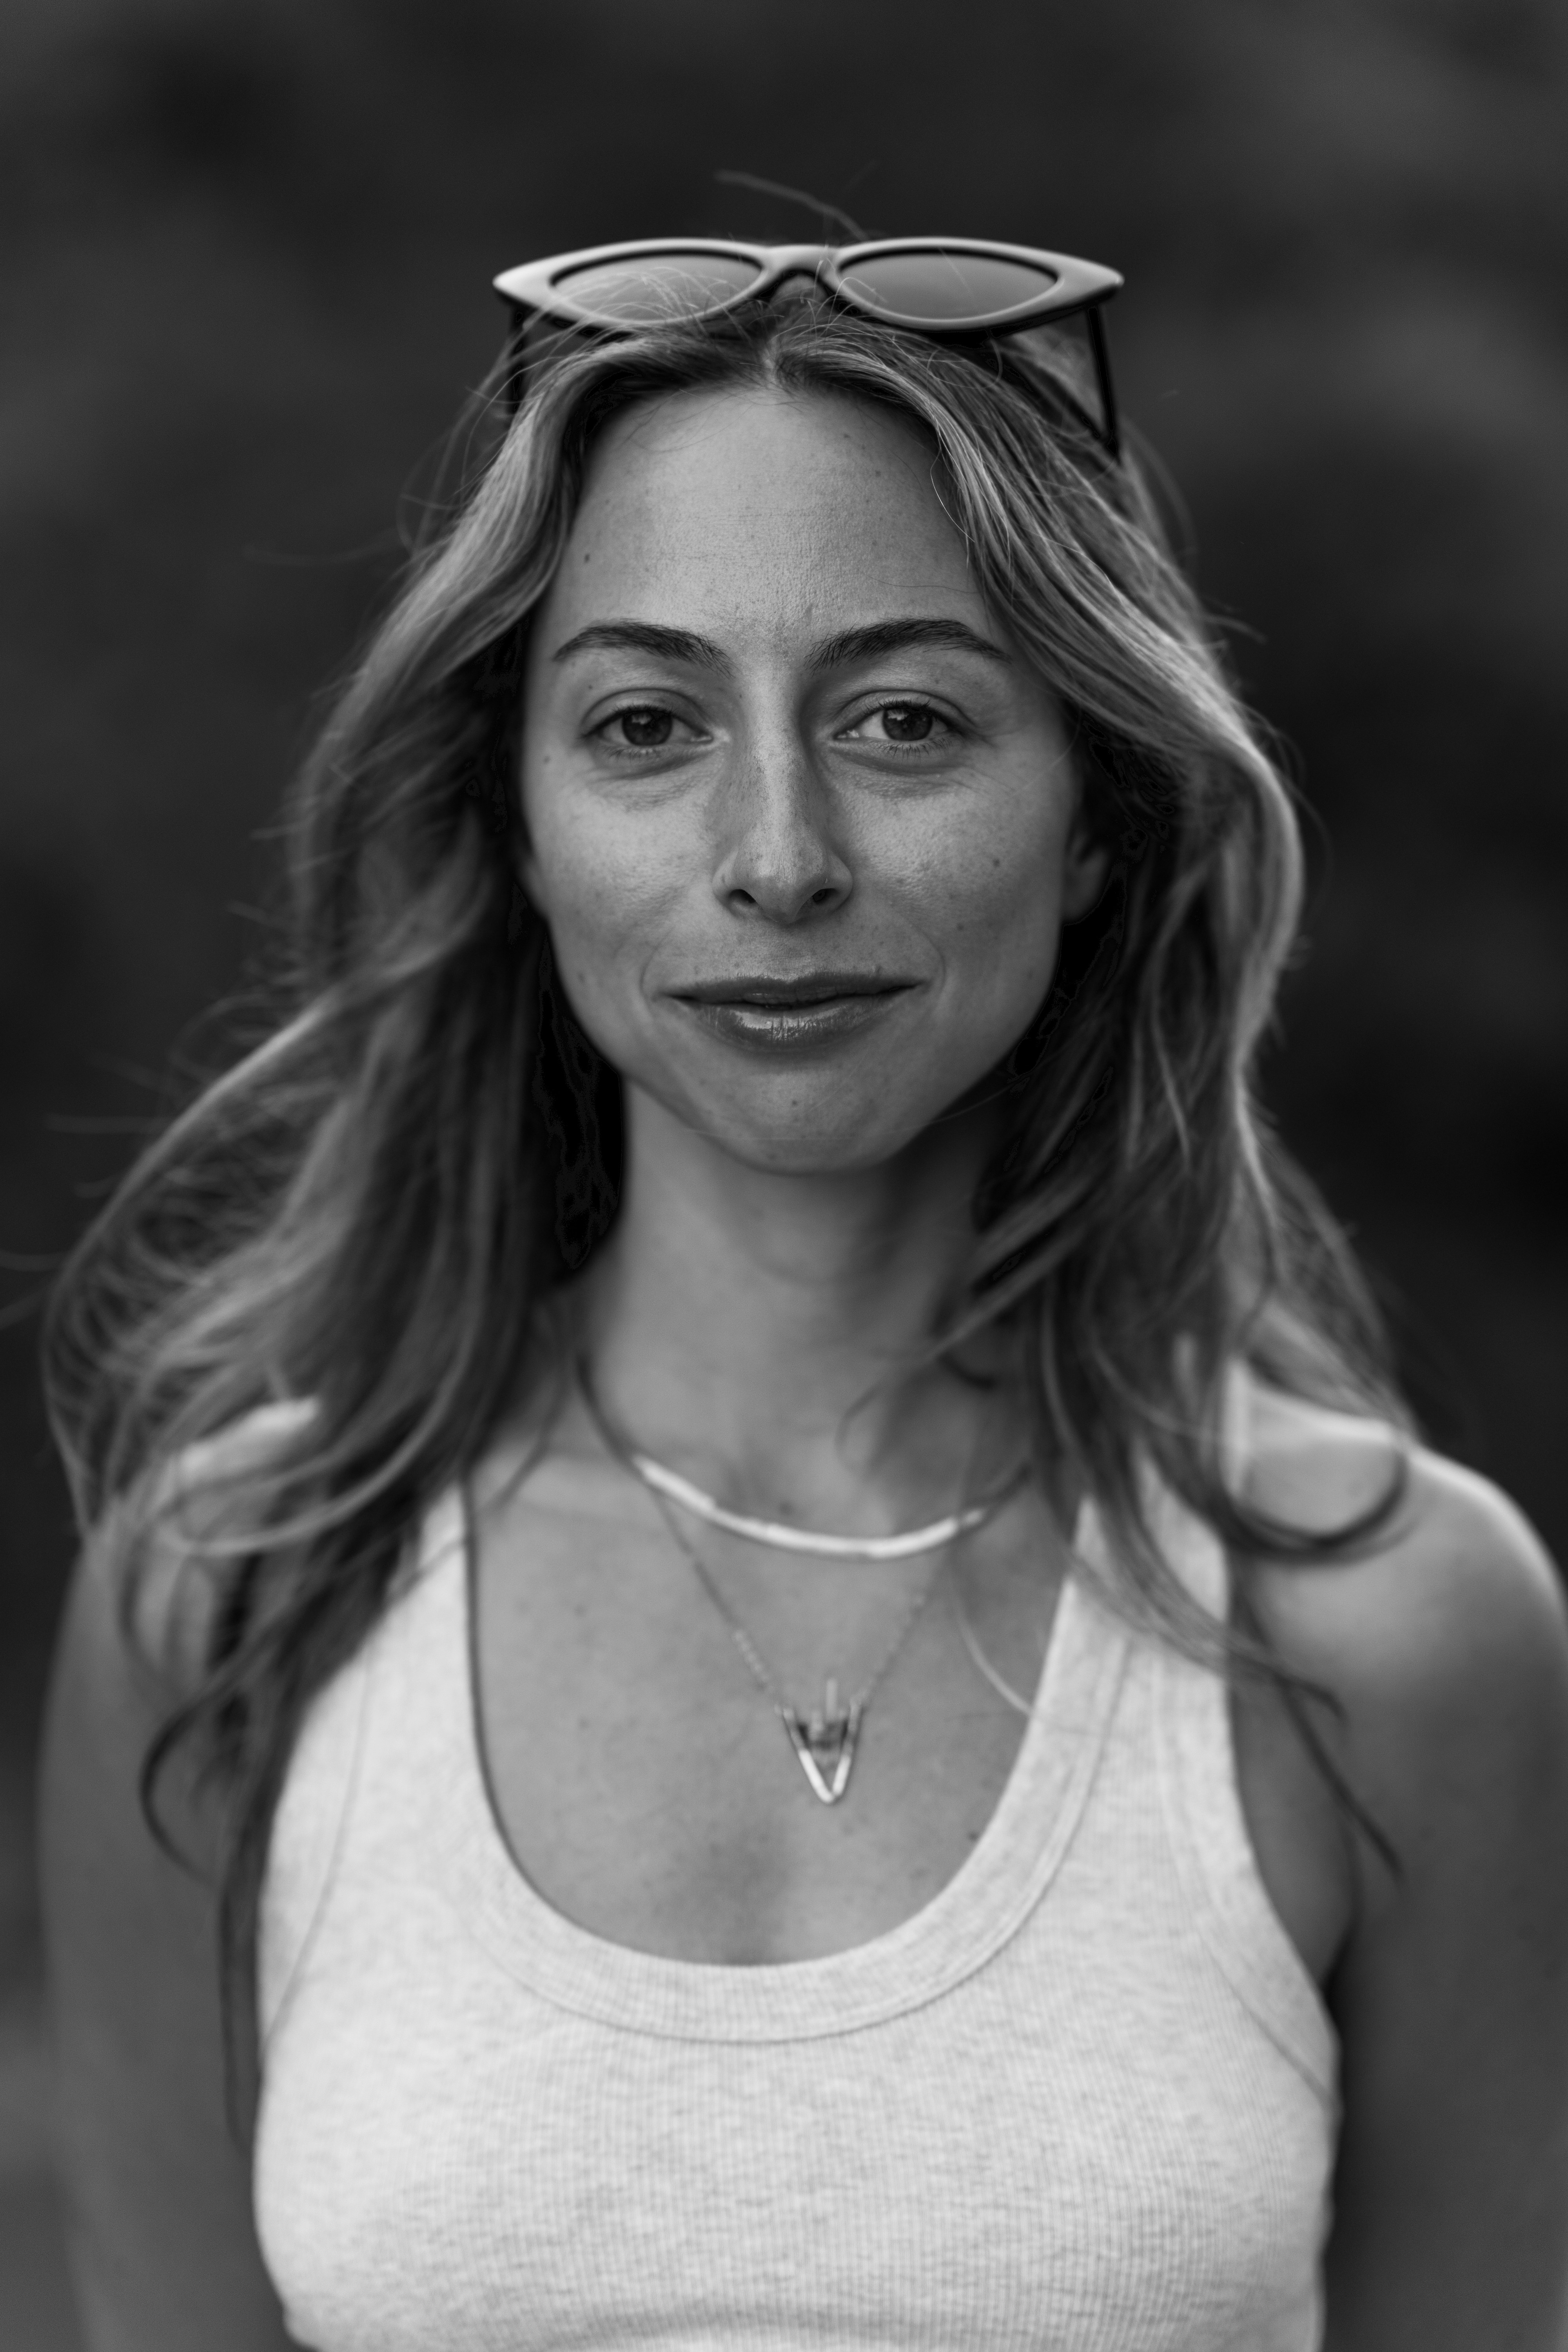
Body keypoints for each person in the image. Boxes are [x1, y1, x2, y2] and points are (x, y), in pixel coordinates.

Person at [38, 236, 1568, 2352]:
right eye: (649, 724)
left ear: (1099, 814)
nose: (778, 854)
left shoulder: (1389, 1629)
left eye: (907, 720)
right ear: (526, 816)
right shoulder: (241, 1600)